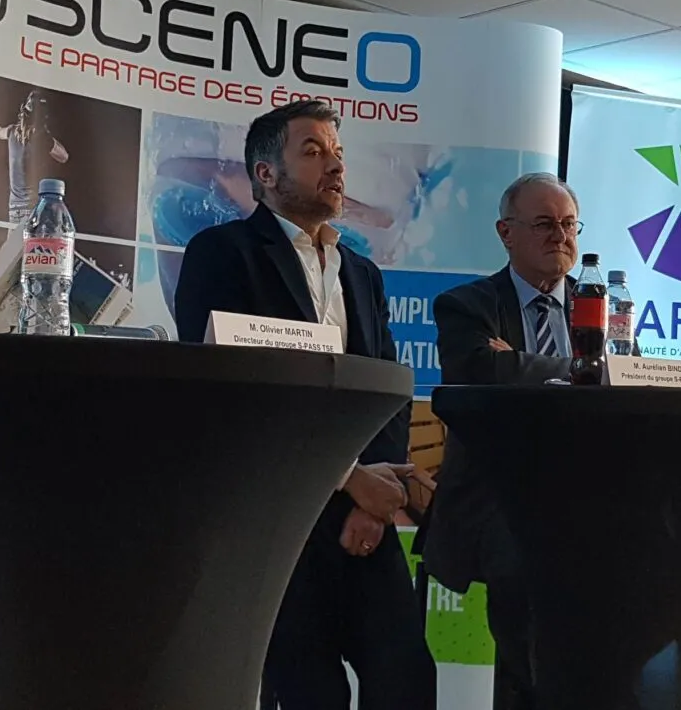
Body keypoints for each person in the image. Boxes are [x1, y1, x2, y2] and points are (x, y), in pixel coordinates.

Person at [173, 99, 436, 710]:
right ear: (266, 173)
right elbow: (231, 395)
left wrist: (375, 496)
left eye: (337, 153)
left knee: (407, 678)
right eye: (313, 152)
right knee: (308, 692)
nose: (336, 166)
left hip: (362, 519)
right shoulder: (224, 253)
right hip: (275, 520)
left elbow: (389, 390)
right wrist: (347, 478)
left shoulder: (362, 272)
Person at [424, 172, 581, 709]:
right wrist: (581, 371)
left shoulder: (603, 307)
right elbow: (481, 374)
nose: (559, 236)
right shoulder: (466, 305)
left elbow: (621, 379)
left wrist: (519, 364)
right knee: (526, 584)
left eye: (568, 225)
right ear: (505, 232)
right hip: (498, 499)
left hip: (587, 498)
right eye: (544, 224)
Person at [0, 88, 69, 224]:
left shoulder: (11, 131)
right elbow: (64, 156)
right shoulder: (42, 137)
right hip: (33, 209)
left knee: (15, 239)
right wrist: (48, 137)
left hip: (14, 208)